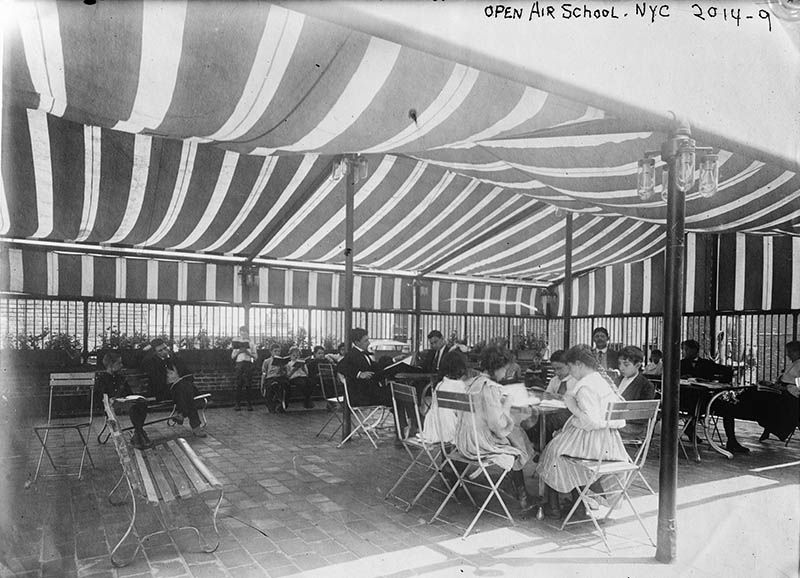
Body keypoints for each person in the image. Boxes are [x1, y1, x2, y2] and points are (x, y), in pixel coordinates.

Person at [536, 344, 628, 520]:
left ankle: (554, 507)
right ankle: (577, 506)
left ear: (578, 364)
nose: (570, 372)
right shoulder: (601, 381)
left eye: (570, 367)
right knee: (558, 447)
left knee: (552, 452)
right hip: (609, 442)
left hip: (592, 443)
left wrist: (573, 408)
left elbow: (591, 421)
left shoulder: (585, 386)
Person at [454, 344, 534, 511]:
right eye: (505, 369)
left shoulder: (471, 382)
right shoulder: (490, 388)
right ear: (497, 368)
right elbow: (497, 424)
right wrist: (507, 403)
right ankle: (521, 492)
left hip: (464, 439)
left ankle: (516, 487)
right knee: (517, 438)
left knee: (515, 435)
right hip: (480, 445)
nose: (506, 373)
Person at [680, 339, 748, 454]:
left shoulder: (706, 364)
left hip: (706, 400)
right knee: (691, 409)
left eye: (686, 350)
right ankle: (689, 429)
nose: (684, 352)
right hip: (687, 401)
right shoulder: (679, 364)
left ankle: (732, 441)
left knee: (728, 408)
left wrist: (720, 382)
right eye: (683, 350)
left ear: (695, 350)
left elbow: (727, 371)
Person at [142, 338, 207, 438]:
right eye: (160, 350)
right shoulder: (152, 362)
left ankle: (182, 413)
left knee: (184, 388)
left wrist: (184, 380)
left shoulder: (176, 358)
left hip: (182, 389)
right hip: (165, 391)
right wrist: (149, 346)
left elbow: (188, 374)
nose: (164, 351)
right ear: (154, 353)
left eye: (165, 348)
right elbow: (137, 359)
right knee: (186, 391)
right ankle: (194, 425)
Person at [97, 351, 153, 449]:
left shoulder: (121, 377)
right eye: (119, 363)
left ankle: (138, 434)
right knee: (134, 407)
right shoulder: (102, 378)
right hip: (110, 405)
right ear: (111, 365)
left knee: (140, 403)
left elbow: (129, 393)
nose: (121, 365)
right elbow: (100, 395)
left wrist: (132, 398)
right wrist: (110, 399)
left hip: (123, 402)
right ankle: (139, 434)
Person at [521, 350, 575, 451]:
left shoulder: (576, 380)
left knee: (547, 423)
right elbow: (547, 395)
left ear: (569, 365)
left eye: (559, 368)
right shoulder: (554, 380)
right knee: (531, 419)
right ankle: (536, 449)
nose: (556, 372)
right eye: (554, 369)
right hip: (552, 411)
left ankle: (545, 449)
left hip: (569, 414)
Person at [336, 328, 392, 407]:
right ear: (357, 342)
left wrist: (394, 360)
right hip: (361, 396)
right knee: (399, 395)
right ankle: (406, 418)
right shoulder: (352, 354)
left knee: (398, 393)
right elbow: (340, 366)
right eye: (366, 341)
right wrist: (359, 374)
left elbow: (375, 367)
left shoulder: (362, 354)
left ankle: (401, 416)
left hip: (368, 393)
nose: (369, 343)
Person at [757, 341, 800, 442]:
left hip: (792, 397)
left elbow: (797, 387)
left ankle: (771, 429)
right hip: (784, 392)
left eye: (790, 352)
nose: (788, 354)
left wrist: (783, 388)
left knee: (769, 403)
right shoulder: (794, 364)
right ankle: (767, 428)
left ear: (797, 352)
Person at [616, 346, 656, 439]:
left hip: (633, 426)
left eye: (626, 365)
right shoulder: (617, 380)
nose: (621, 368)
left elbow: (642, 417)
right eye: (619, 364)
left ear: (637, 365)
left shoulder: (646, 386)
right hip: (616, 422)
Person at [231, 326, 255, 411]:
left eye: (245, 331)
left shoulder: (251, 343)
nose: (243, 333)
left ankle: (249, 404)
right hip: (239, 364)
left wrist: (248, 353)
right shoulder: (237, 343)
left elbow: (256, 356)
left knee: (248, 384)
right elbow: (232, 356)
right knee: (239, 383)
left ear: (248, 332)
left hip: (247, 363)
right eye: (241, 331)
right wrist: (239, 351)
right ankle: (237, 404)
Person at [261, 345, 289, 413]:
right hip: (270, 377)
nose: (277, 353)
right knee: (270, 387)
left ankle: (281, 406)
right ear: (271, 352)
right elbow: (264, 373)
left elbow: (286, 372)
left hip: (280, 377)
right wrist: (262, 383)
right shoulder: (267, 361)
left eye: (279, 351)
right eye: (275, 351)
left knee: (286, 385)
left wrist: (283, 368)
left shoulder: (282, 361)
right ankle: (271, 406)